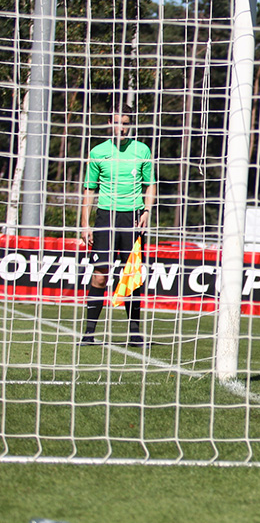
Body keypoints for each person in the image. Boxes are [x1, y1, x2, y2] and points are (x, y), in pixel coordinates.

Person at [80, 107, 156, 346]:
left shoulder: (141, 150)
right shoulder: (98, 152)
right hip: (105, 218)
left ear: (130, 124)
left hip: (132, 218)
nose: (121, 127)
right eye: (117, 122)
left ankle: (135, 333)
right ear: (109, 124)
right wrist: (85, 224)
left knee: (132, 275)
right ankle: (89, 333)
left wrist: (146, 211)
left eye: (125, 123)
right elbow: (89, 190)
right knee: (100, 275)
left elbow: (150, 185)